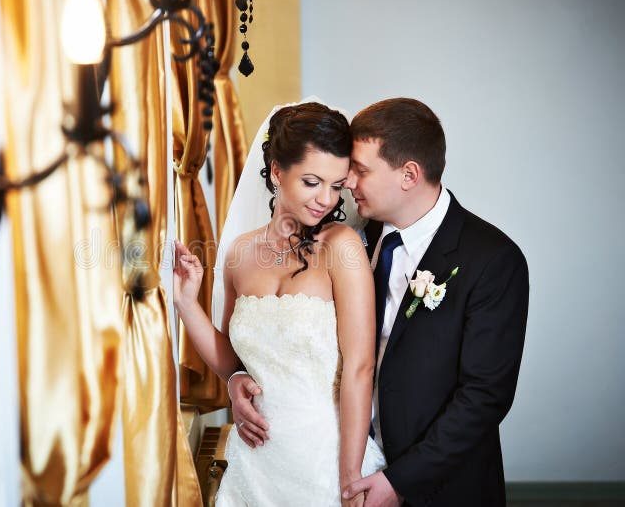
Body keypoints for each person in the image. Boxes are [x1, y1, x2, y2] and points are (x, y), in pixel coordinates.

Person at [230, 98, 529, 507]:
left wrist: (399, 481)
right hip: (328, 460)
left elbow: (484, 397)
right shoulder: (349, 234)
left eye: (360, 171)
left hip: (437, 485)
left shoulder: (492, 259)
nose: (347, 185)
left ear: (408, 174)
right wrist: (235, 378)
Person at [173, 101, 386, 506]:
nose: (326, 198)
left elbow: (360, 367)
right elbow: (234, 361)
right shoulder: (239, 253)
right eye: (311, 181)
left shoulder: (341, 248)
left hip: (325, 458)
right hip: (255, 461)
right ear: (275, 172)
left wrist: (350, 477)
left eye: (336, 185)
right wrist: (186, 303)